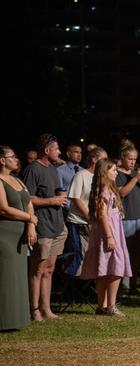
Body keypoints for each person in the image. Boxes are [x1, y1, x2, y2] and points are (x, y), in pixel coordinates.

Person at [22, 134, 69, 321]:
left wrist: (61, 196)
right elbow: (28, 199)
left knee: (49, 269)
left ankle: (46, 308)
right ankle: (34, 310)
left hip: (57, 225)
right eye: (57, 148)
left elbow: (58, 192)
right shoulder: (32, 170)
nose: (59, 152)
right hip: (42, 224)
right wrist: (51, 200)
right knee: (38, 269)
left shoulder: (53, 170)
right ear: (46, 150)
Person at [79, 159, 132, 316]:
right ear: (104, 173)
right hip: (108, 232)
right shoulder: (103, 191)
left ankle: (102, 305)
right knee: (116, 268)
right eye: (113, 170)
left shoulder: (110, 189)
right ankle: (110, 305)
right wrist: (109, 236)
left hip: (113, 230)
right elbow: (102, 215)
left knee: (107, 268)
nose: (116, 173)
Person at [0, 145, 37, 330]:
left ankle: (18, 319)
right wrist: (30, 218)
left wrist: (31, 225)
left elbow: (29, 203)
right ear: (2, 160)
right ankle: (4, 319)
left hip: (21, 234)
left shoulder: (18, 180)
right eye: (12, 156)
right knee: (6, 276)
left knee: (18, 276)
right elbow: (4, 209)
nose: (16, 159)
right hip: (4, 234)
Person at [65, 147, 107, 277]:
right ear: (94, 160)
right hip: (79, 222)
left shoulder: (102, 177)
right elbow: (75, 198)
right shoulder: (81, 175)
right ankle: (71, 288)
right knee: (81, 255)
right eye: (103, 159)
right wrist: (89, 216)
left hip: (96, 222)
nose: (106, 162)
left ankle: (88, 287)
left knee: (94, 256)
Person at [116, 140, 140, 294]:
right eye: (130, 159)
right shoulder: (118, 174)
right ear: (122, 158)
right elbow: (121, 193)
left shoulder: (137, 174)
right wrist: (135, 178)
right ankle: (122, 285)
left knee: (136, 253)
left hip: (139, 217)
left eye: (135, 159)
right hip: (126, 218)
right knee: (124, 253)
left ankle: (133, 285)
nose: (133, 162)